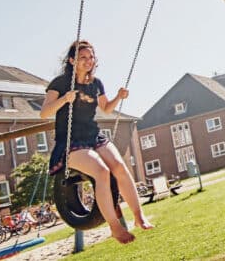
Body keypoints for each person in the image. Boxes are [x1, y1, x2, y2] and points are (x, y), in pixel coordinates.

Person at [41, 40, 153, 244]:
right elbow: (44, 113)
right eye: (83, 57)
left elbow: (106, 108)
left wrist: (119, 97)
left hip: (94, 137)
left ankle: (138, 216)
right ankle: (114, 226)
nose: (88, 61)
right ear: (72, 60)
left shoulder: (96, 83)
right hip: (71, 142)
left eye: (91, 57)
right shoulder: (60, 83)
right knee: (102, 171)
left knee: (119, 167)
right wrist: (65, 99)